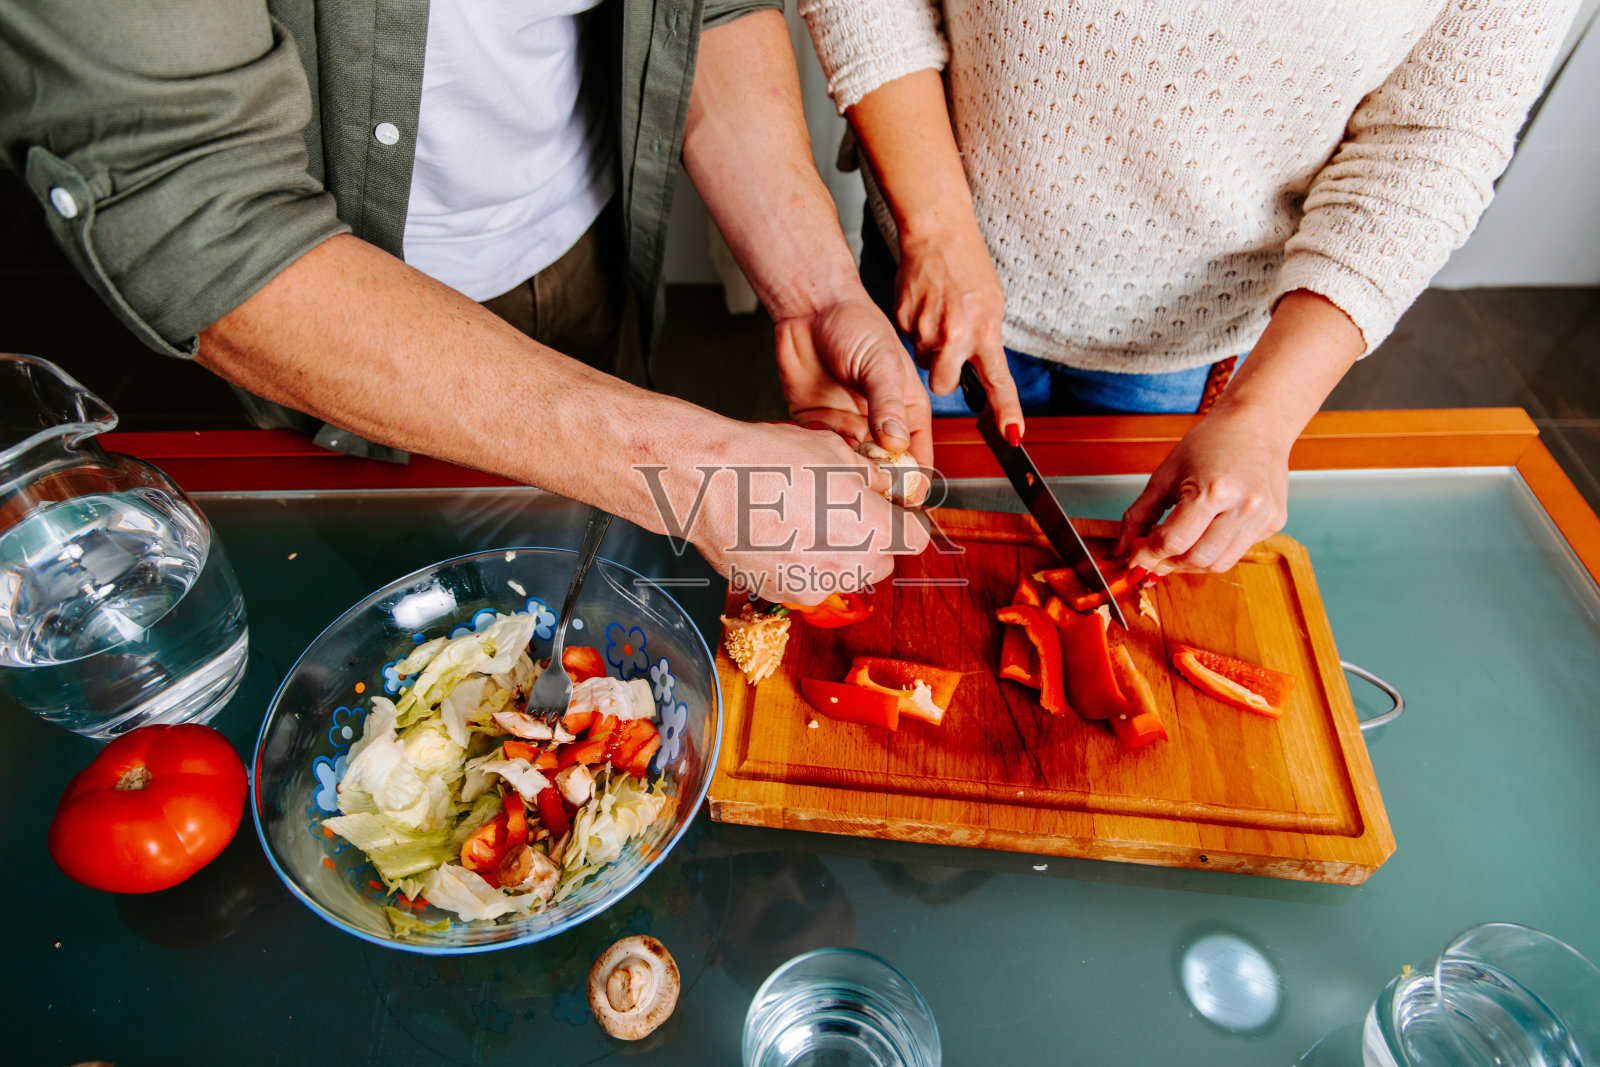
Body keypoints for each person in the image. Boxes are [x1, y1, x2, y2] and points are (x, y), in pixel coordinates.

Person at [1, 0, 1021, 601]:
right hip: (260, 338)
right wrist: (692, 473)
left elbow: (707, 8)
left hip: (579, 255)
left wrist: (813, 290)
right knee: (343, 612)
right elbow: (197, 205)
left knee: (563, 595)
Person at [801, 0, 1580, 575]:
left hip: (1185, 341)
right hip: (926, 257)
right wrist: (937, 228)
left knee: (1130, 567)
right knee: (876, 547)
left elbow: (1436, 139)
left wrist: (1264, 416)